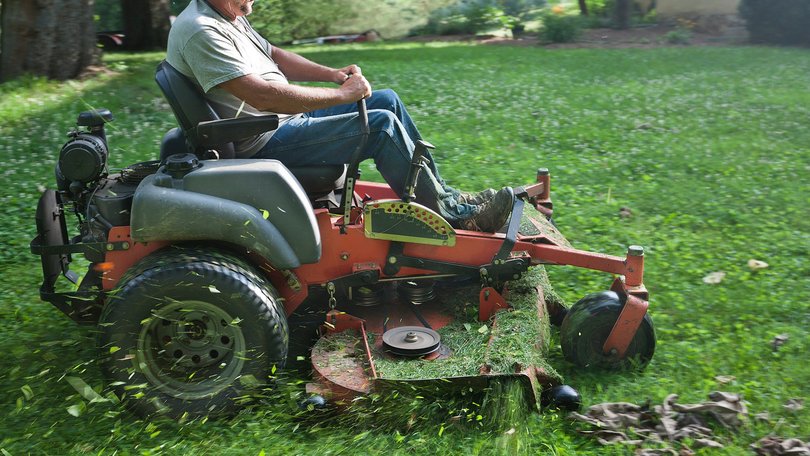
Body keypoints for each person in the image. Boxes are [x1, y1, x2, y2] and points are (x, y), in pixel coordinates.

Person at [166, 0, 514, 232]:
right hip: (263, 138)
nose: (252, 1)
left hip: (281, 121)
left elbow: (274, 55)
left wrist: (332, 74)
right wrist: (342, 95)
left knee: (386, 100)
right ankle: (453, 218)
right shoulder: (202, 30)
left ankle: (443, 195)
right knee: (380, 126)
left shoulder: (227, 15)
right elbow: (263, 94)